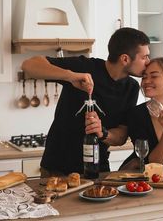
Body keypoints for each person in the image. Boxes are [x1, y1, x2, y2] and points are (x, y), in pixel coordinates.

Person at [21, 27, 150, 176]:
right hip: (57, 169)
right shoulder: (84, 67)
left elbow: (121, 137)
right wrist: (70, 76)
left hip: (98, 169)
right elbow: (28, 65)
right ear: (125, 59)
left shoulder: (132, 87)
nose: (148, 62)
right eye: (144, 57)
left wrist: (103, 132)